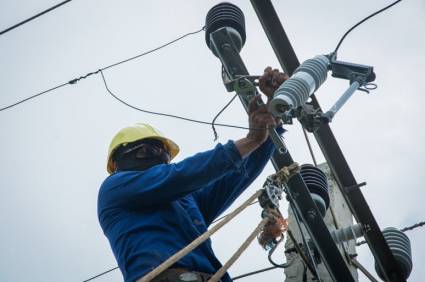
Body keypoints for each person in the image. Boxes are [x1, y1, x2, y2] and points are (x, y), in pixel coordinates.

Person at [98, 67, 288, 282]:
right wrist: (251, 140)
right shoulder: (115, 188)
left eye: (164, 154)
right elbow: (180, 175)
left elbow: (237, 174)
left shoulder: (186, 201)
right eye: (147, 150)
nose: (158, 157)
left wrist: (274, 113)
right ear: (117, 162)